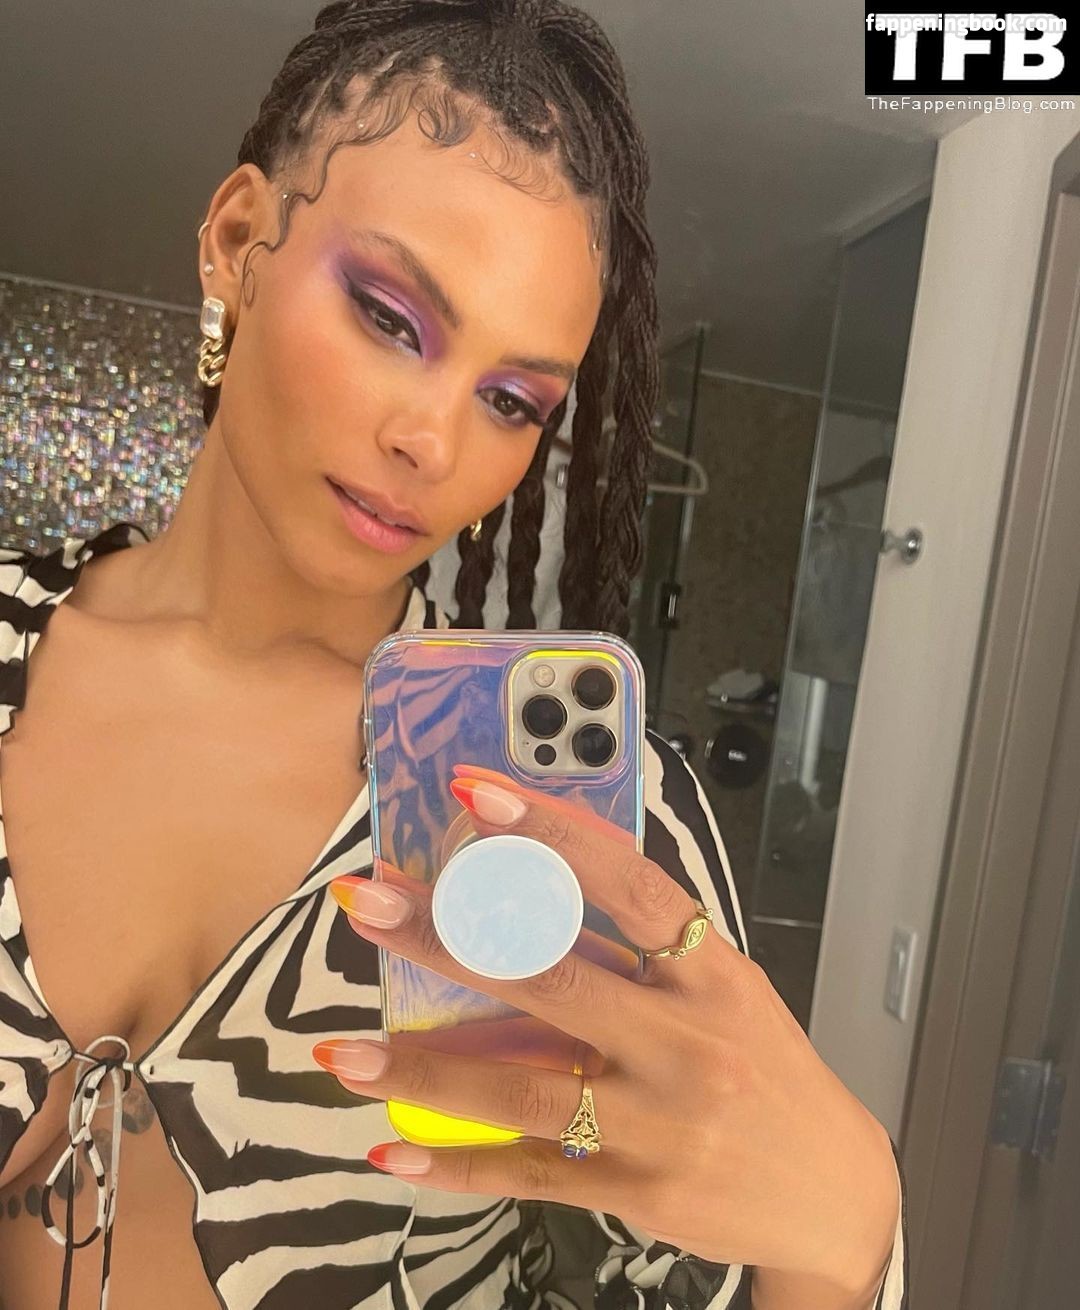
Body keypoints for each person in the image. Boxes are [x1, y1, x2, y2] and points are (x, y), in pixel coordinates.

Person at [0, 2, 908, 1307]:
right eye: (389, 317)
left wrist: (840, 1230)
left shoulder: (575, 819)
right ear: (237, 241)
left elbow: (653, 1220)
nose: (434, 441)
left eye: (511, 401)